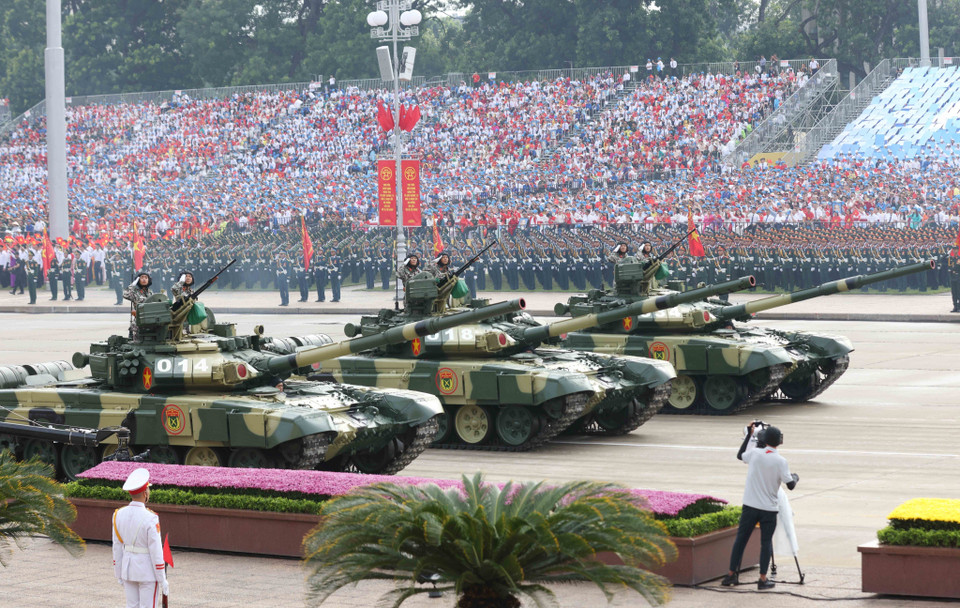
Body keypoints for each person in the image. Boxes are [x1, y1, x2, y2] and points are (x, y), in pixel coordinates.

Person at [722, 422, 799, 590]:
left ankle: (730, 575)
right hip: (769, 510)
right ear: (779, 442)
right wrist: (795, 477)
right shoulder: (781, 461)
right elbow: (790, 485)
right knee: (766, 543)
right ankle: (762, 580)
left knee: (740, 540)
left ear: (763, 439)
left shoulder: (755, 454)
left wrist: (750, 435)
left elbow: (740, 455)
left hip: (749, 506)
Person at [112, 468, 169, 608]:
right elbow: (155, 551)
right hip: (147, 571)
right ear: (145, 493)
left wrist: (118, 573)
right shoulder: (151, 518)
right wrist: (162, 579)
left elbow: (117, 547)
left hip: (128, 569)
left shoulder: (118, 515)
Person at [124, 273, 154, 341]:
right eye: (142, 277)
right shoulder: (135, 292)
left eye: (146, 278)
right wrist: (132, 285)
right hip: (139, 322)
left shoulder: (150, 293)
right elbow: (125, 294)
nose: (144, 279)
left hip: (150, 320)